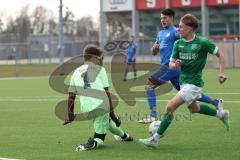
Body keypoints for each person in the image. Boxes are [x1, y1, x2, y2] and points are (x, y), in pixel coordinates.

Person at [139, 13, 229, 148]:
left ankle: (155, 139)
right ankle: (220, 114)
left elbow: (220, 54)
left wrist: (221, 72)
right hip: (184, 82)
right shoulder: (178, 43)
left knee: (170, 107)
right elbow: (170, 63)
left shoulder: (202, 43)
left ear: (190, 28)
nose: (178, 29)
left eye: (181, 27)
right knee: (194, 109)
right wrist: (175, 65)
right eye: (179, 27)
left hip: (194, 84)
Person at [64, 44, 133, 151]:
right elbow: (107, 93)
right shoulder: (100, 69)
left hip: (86, 110)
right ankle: (89, 144)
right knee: (99, 138)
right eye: (100, 58)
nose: (101, 61)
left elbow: (71, 97)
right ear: (94, 58)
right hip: (101, 106)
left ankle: (125, 136)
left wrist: (70, 116)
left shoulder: (75, 73)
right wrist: (113, 115)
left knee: (107, 123)